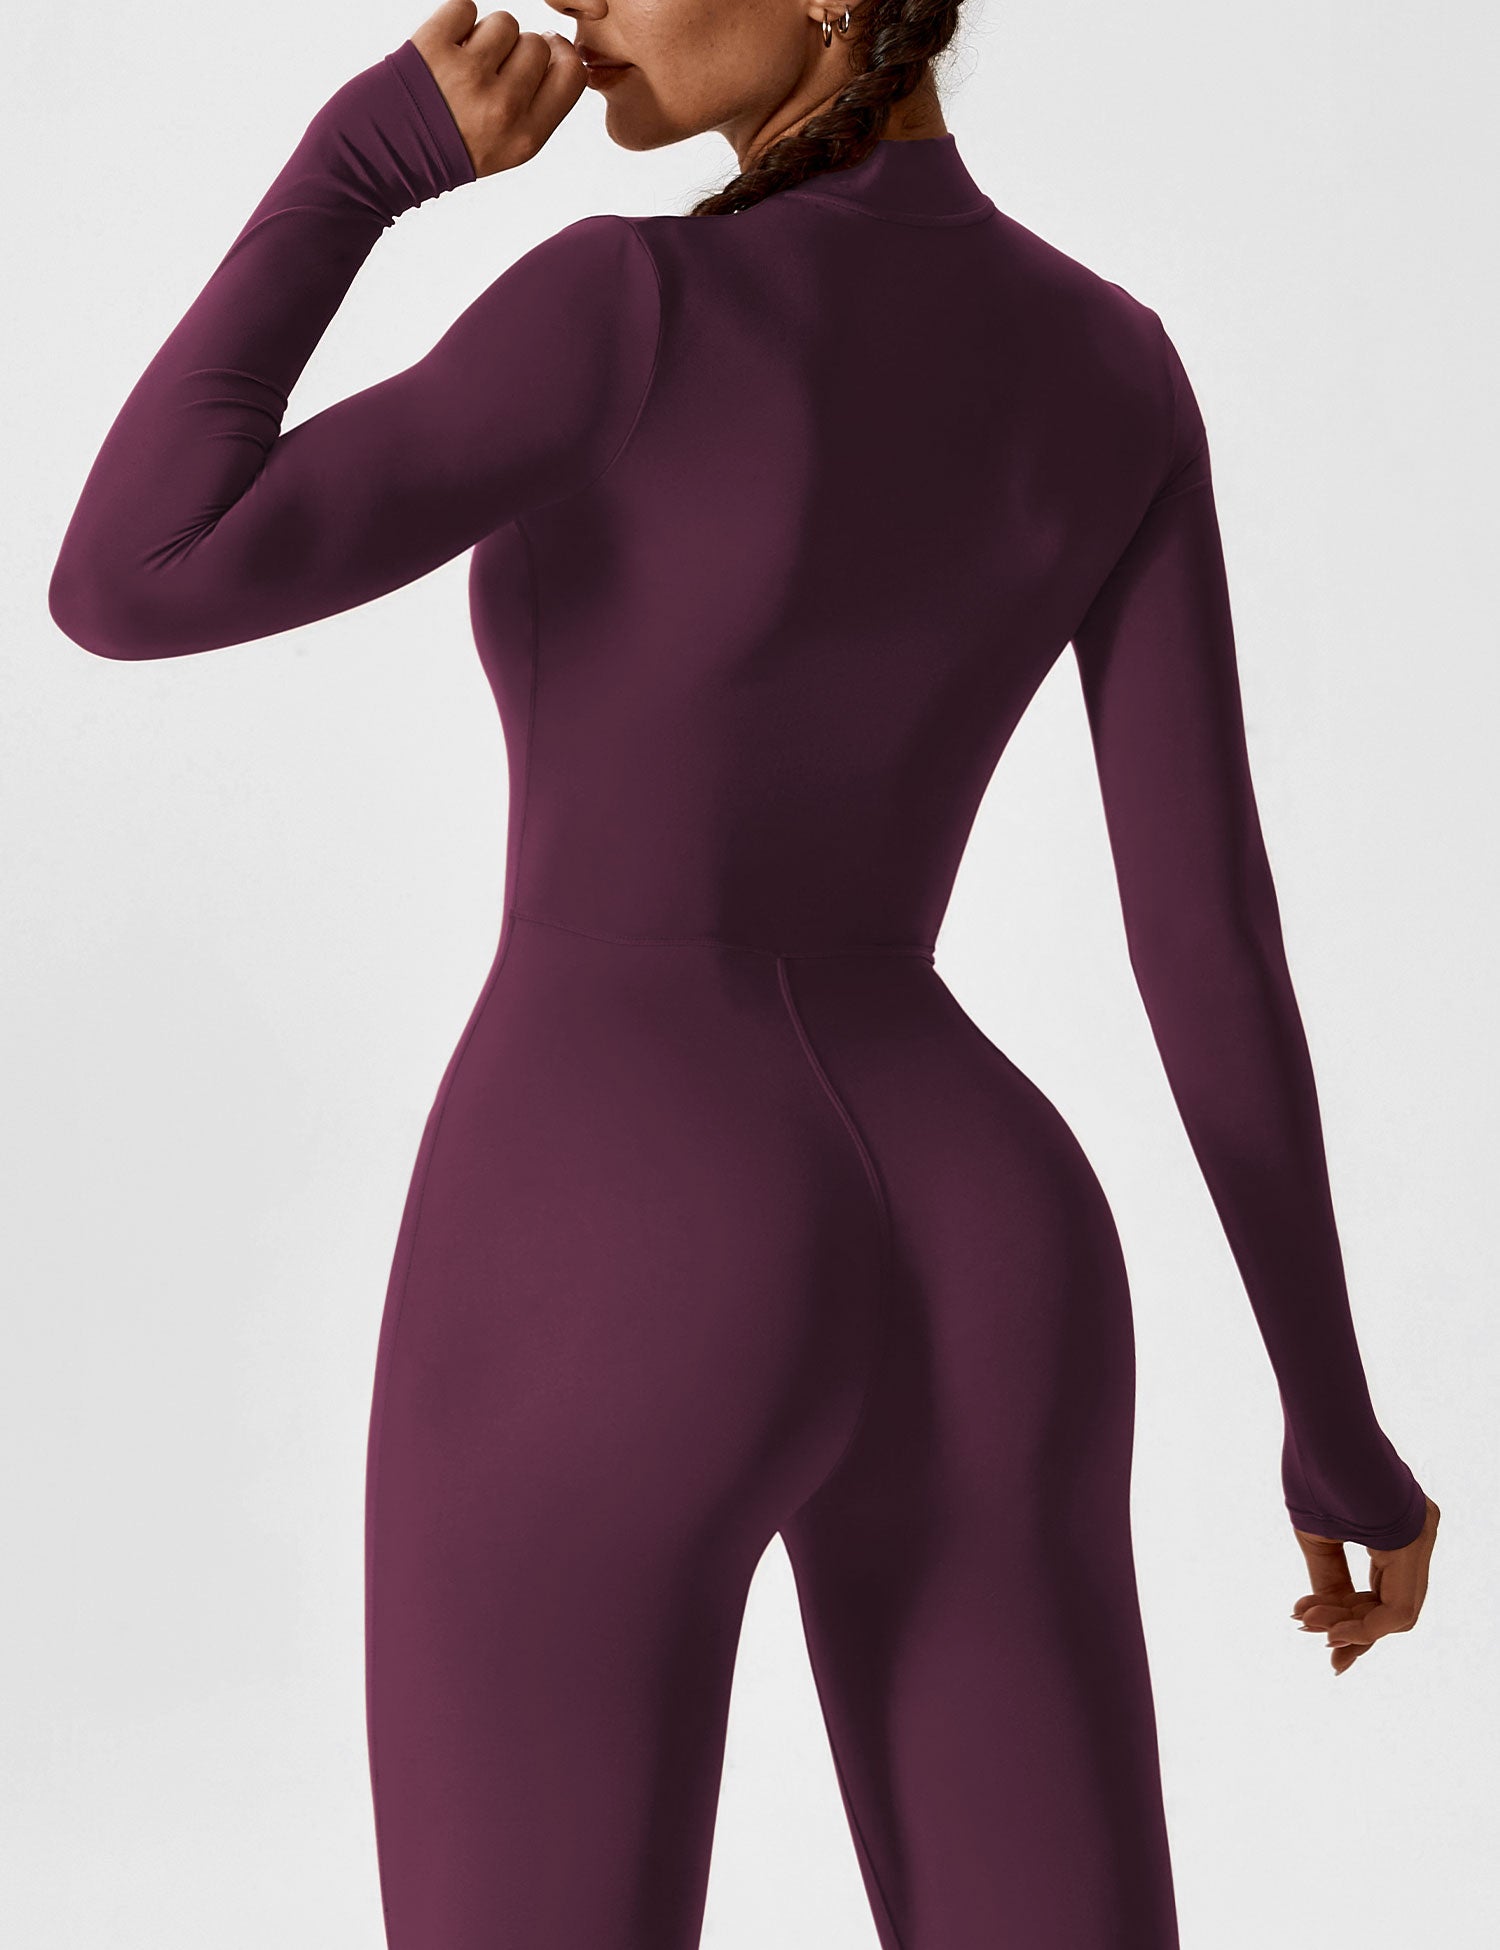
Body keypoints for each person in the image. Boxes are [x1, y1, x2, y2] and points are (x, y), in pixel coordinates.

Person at [47, 1, 1439, 1943]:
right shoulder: (1115, 366)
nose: (583, 3)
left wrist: (365, 164)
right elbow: (1205, 932)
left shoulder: (628, 309)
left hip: (609, 1207)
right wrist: (1333, 1420)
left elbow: (129, 577)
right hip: (987, 1238)